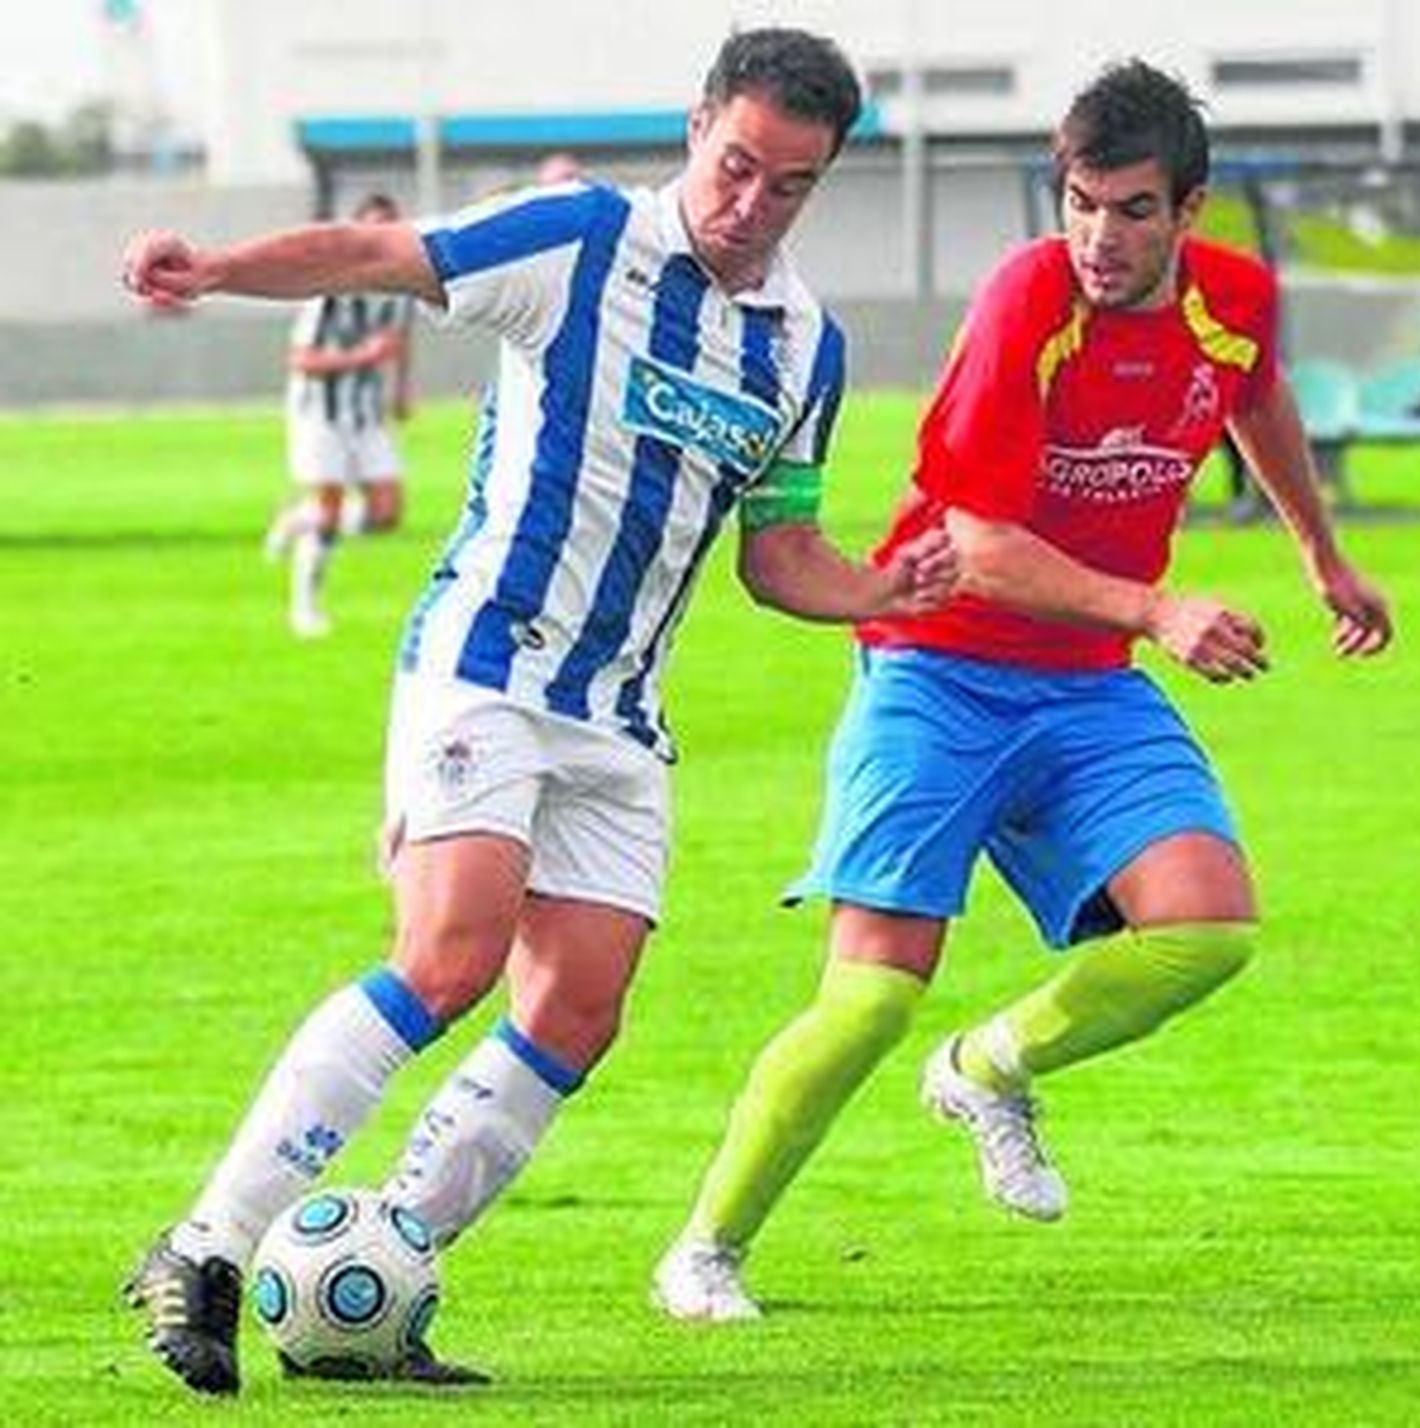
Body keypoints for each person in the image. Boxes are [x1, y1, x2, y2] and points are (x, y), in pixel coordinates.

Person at [120, 27, 956, 1396]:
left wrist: (884, 589)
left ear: (824, 180)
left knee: (578, 1008)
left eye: (790, 185)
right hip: (490, 663)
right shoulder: (577, 242)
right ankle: (205, 1248)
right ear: (698, 128)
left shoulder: (807, 348)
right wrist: (218, 271)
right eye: (737, 166)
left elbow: (777, 554)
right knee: (451, 955)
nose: (751, 205)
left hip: (621, 720)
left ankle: (379, 1282)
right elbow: (377, 258)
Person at [652, 58, 1393, 1324]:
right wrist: (1163, 609)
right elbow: (979, 539)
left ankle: (989, 1066)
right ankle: (705, 1250)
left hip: (1085, 687)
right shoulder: (1026, 300)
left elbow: (1252, 390)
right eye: (1080, 203)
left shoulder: (1234, 300)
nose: (1099, 238)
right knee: (872, 994)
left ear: (1189, 211)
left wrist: (1321, 555)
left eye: (1132, 210)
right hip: (935, 668)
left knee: (1207, 925)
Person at [262, 191, 416, 638]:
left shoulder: (402, 286)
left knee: (388, 513)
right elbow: (300, 360)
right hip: (319, 412)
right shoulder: (329, 293)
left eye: (390, 226)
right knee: (329, 515)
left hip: (366, 412)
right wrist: (362, 357)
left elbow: (399, 342)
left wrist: (401, 389)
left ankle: (300, 517)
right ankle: (304, 607)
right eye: (373, 227)